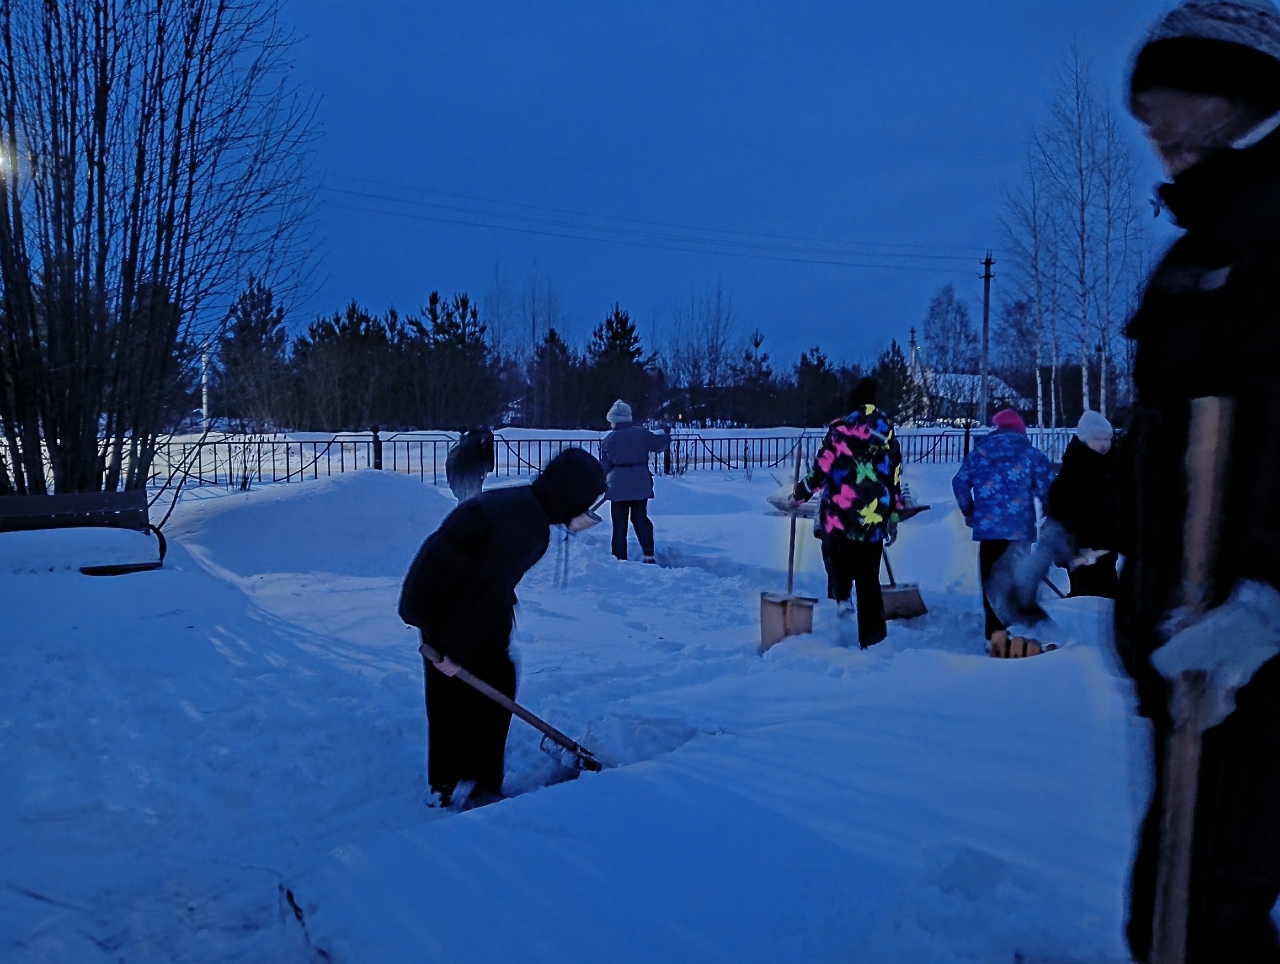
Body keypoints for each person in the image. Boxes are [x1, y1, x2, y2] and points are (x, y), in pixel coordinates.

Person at [1117, 2, 1280, 958]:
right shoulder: (1193, 259)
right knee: (1175, 911)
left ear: (1241, 97)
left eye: (1178, 106)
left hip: (1256, 660)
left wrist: (1269, 598)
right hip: (1186, 654)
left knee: (1209, 915)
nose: (1160, 134)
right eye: (1148, 115)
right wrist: (1065, 523)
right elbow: (1160, 442)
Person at [398, 448, 606, 807]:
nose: (582, 514)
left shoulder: (522, 503)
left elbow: (486, 584)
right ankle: (476, 785)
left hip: (437, 598)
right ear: (569, 496)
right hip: (446, 606)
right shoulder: (528, 529)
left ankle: (453, 780)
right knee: (483, 687)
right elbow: (484, 590)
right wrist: (452, 651)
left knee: (466, 690)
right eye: (584, 503)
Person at [792, 377, 904, 648]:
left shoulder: (840, 431)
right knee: (869, 580)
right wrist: (894, 516)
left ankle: (841, 596)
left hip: (839, 517)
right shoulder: (887, 432)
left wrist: (799, 493)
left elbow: (821, 470)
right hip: (874, 517)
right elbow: (895, 477)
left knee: (834, 552)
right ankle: (874, 641)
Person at [951, 407, 1052, 642]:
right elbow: (1048, 490)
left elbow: (959, 483)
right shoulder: (1031, 455)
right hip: (1020, 531)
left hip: (989, 531)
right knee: (1017, 581)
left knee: (991, 581)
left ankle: (994, 633)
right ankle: (1018, 635)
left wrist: (970, 510)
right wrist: (1049, 514)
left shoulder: (979, 453)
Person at [1044, 411, 1121, 599]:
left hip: (1107, 543)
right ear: (1085, 439)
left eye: (1107, 439)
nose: (1104, 444)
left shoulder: (1115, 468)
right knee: (1084, 591)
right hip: (1079, 546)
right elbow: (1058, 506)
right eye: (1098, 439)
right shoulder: (1072, 471)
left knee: (1108, 591)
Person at [599, 399, 671, 563]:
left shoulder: (608, 440)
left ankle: (619, 558)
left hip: (617, 485)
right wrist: (667, 435)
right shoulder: (642, 434)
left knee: (619, 523)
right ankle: (648, 553)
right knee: (640, 518)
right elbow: (659, 444)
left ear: (614, 420)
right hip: (640, 482)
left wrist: (603, 482)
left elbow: (604, 466)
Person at [445, 428, 495, 503]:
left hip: (456, 471)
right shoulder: (486, 438)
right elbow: (487, 454)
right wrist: (487, 468)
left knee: (462, 497)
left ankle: (463, 511)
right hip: (472, 470)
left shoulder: (464, 440)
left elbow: (450, 458)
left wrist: (450, 477)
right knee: (473, 497)